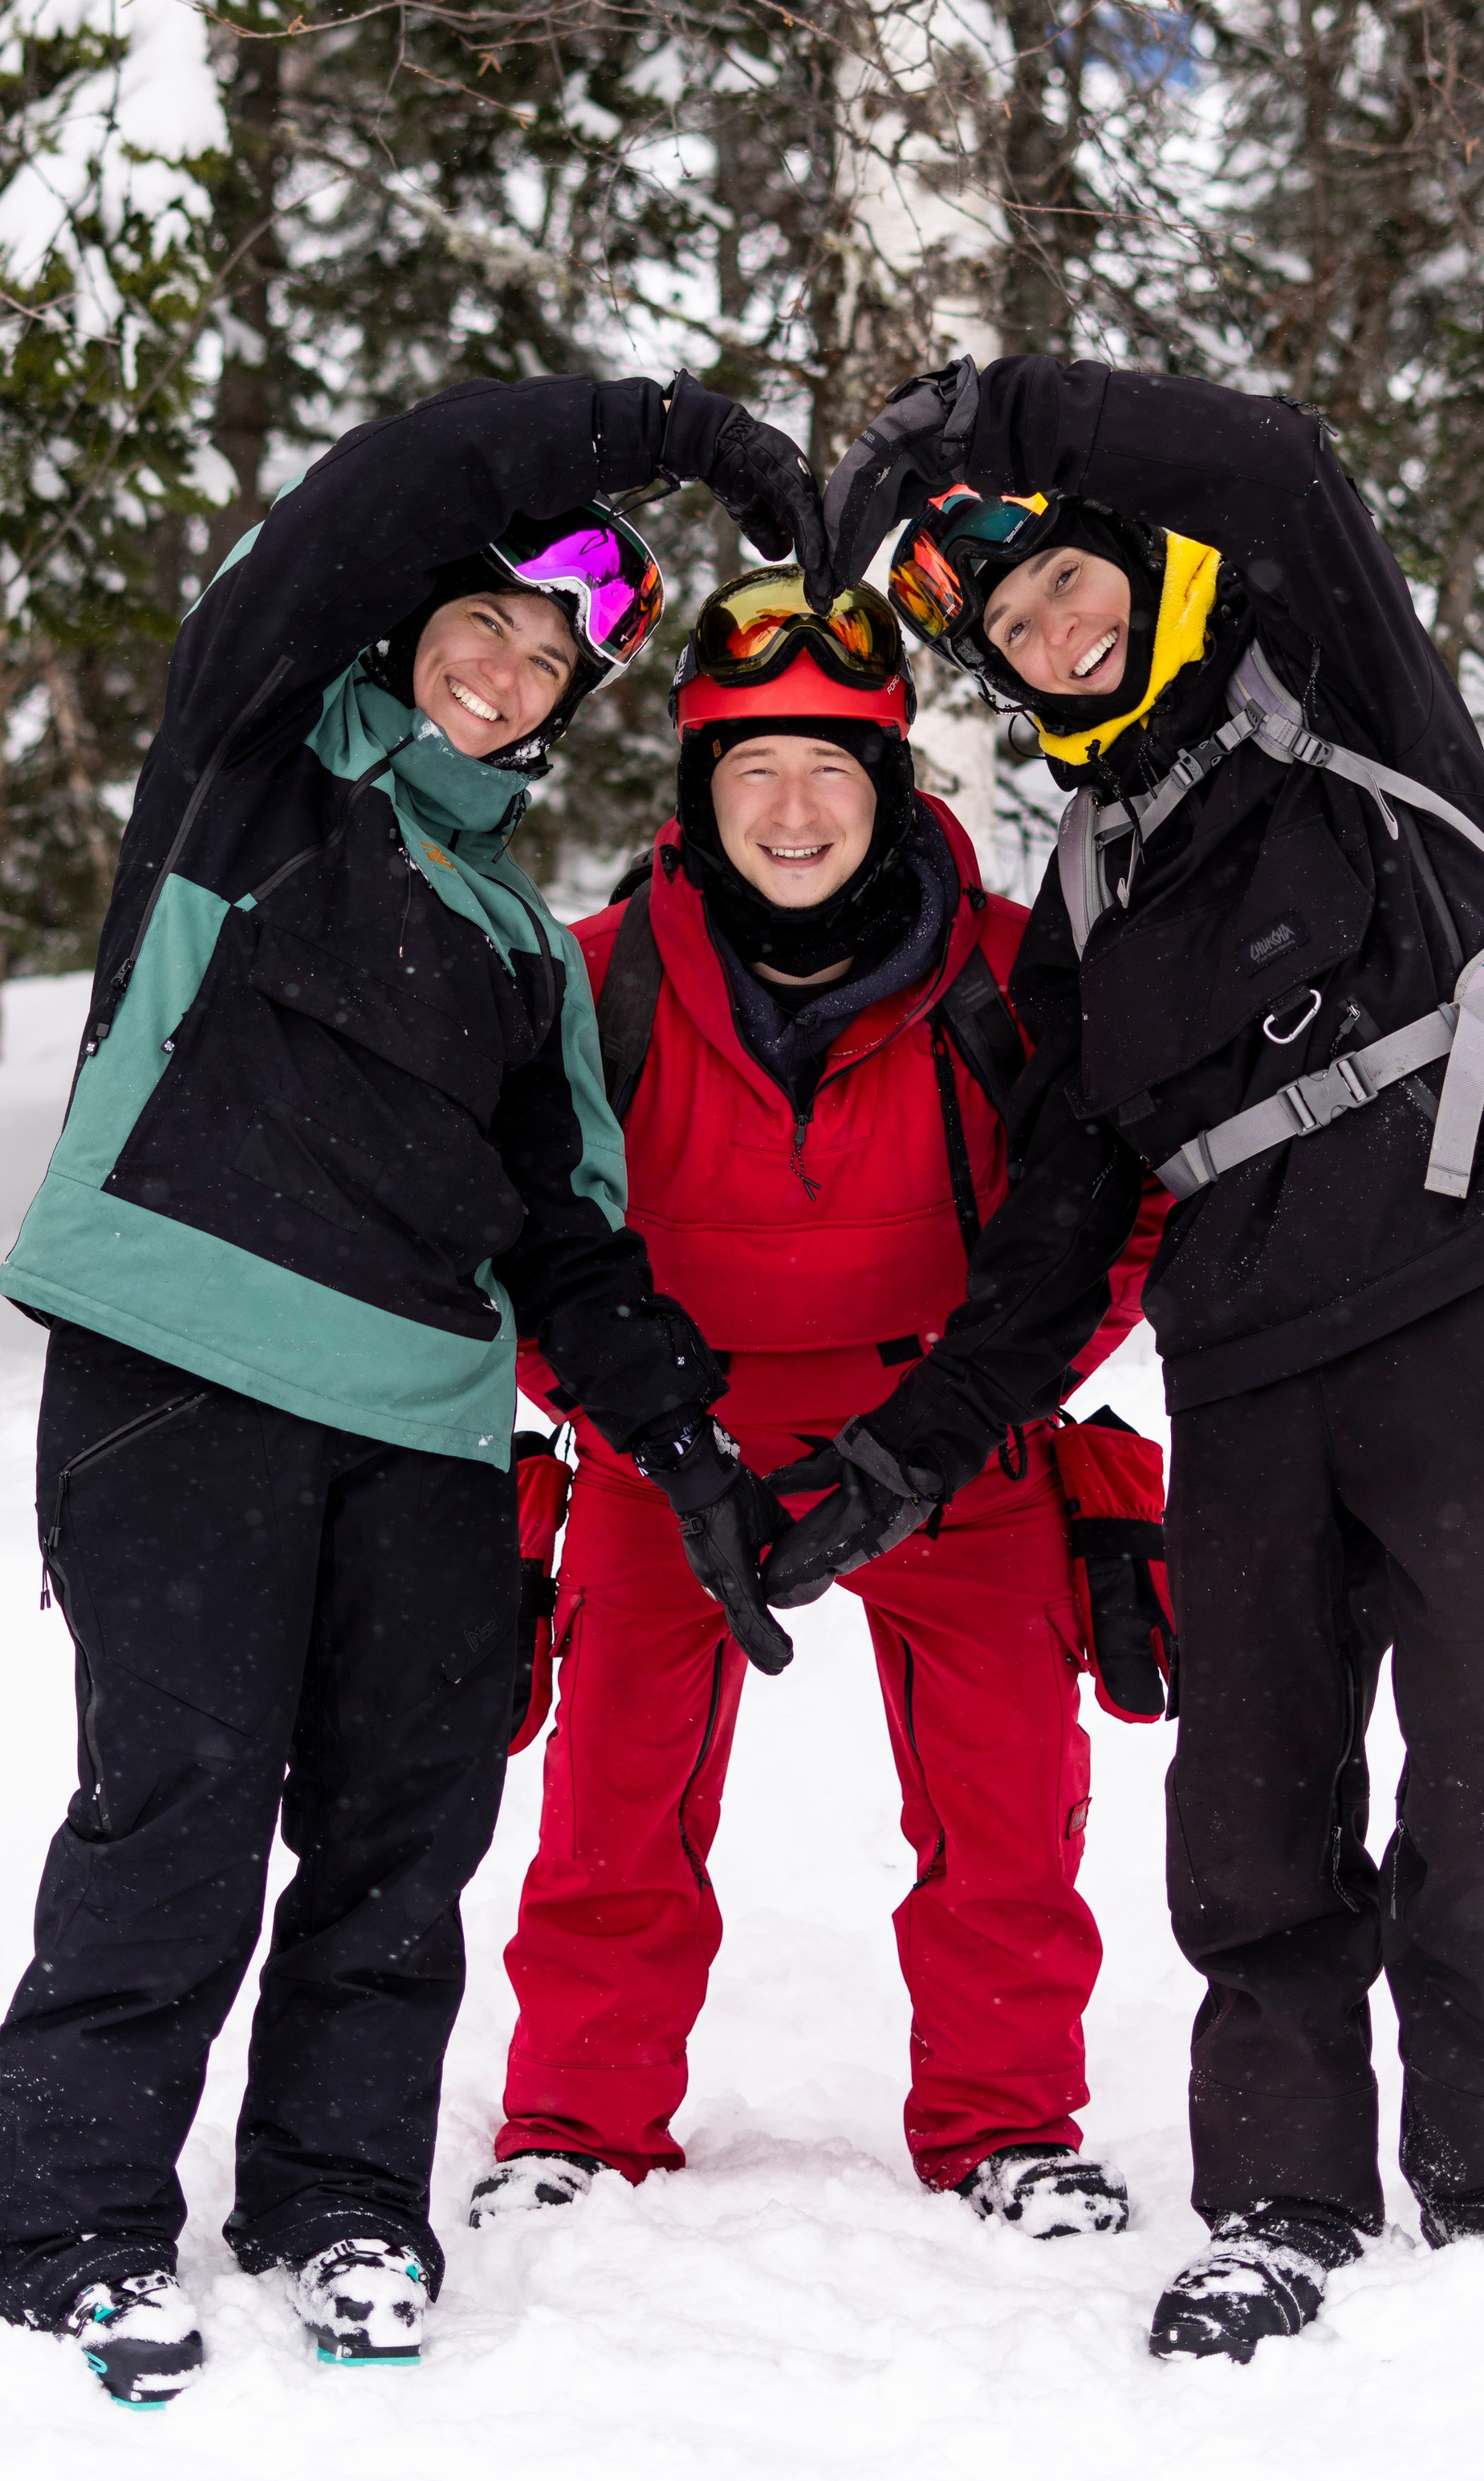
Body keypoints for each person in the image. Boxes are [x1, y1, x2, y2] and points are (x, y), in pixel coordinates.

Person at [0, 372, 832, 2404]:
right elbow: (379, 488)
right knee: (172, 1819)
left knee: (397, 1838)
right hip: (181, 1379)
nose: (508, 675)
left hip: (430, 1436)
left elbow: (569, 1238)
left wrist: (688, 1450)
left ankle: (339, 2196)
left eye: (547, 665)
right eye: (485, 627)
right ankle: (70, 2232)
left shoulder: (528, 945)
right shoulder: (250, 768)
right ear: (405, 624)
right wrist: (657, 434)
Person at [786, 355, 1484, 2364]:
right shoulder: (1091, 879)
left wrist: (972, 424)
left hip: (1481, 1272)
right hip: (1249, 1354)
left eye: (1065, 587)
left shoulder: (1333, 679)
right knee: (1249, 1800)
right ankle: (1276, 2200)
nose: (1051, 632)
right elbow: (1053, 1235)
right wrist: (902, 1456)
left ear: (1140, 570)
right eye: (1011, 632)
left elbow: (1265, 448)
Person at [467, 567, 1165, 2232]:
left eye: (831, 766)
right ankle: (575, 2125)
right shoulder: (589, 977)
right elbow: (514, 1226)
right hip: (668, 1443)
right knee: (611, 1810)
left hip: (948, 1439)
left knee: (1005, 1803)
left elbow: (1107, 1221)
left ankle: (1008, 2126)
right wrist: (637, 1423)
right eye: (750, 770)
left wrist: (941, 1434)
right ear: (695, 796)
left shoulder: (1013, 975)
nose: (792, 808)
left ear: (894, 781)